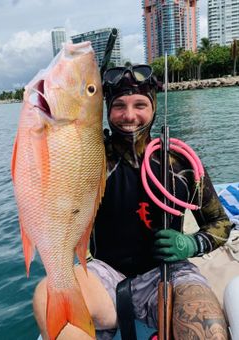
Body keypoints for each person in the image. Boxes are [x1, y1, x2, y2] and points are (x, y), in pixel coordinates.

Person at [33, 64, 232, 339]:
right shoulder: (89, 159)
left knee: (207, 325)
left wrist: (191, 243)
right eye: (119, 106)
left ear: (153, 108)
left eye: (140, 104)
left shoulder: (181, 162)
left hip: (169, 273)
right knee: (47, 297)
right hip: (104, 275)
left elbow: (220, 223)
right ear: (106, 110)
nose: (129, 116)